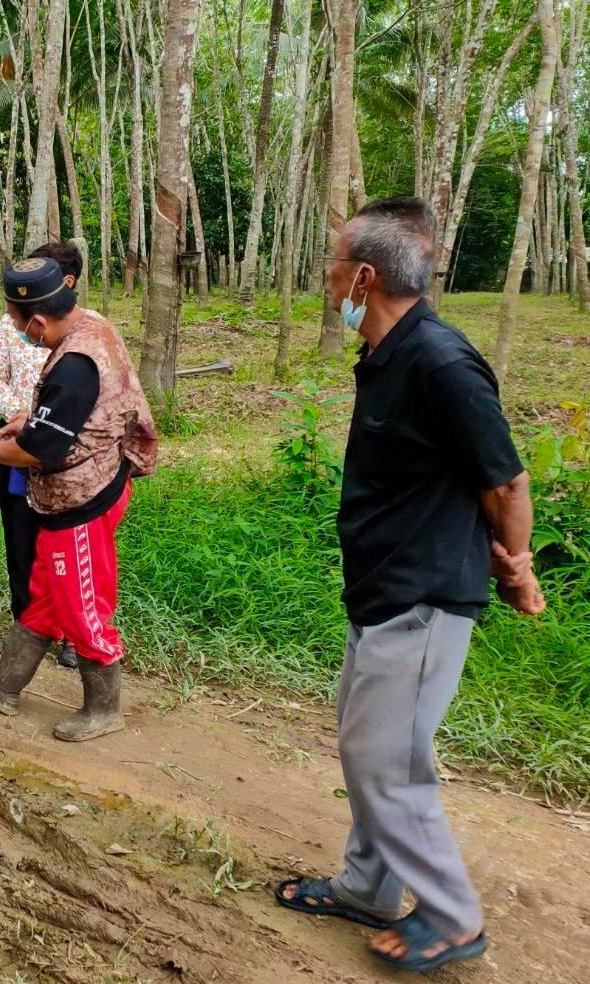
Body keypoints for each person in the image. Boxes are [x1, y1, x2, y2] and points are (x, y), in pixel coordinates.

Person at [274, 197, 544, 974]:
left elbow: (505, 481)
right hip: (383, 587)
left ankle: (453, 917)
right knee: (371, 750)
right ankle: (367, 886)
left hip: (423, 597)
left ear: (363, 276)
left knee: (386, 762)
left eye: (331, 266)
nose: (326, 281)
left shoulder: (440, 362)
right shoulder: (388, 354)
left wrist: (516, 567)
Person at [0, 256, 156, 741]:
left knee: (81, 601)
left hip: (82, 499)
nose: (18, 331)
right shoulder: (93, 327)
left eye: (18, 322)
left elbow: (38, 449)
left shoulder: (74, 365)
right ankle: (5, 684)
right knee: (47, 590)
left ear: (39, 321)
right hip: (85, 484)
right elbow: (74, 416)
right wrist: (31, 419)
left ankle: (104, 708)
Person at [0, 241, 84, 670]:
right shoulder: (12, 323)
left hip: (64, 453)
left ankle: (72, 633)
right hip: (16, 441)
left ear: (66, 283)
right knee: (20, 538)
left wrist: (40, 425)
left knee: (63, 544)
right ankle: (27, 624)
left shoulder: (84, 335)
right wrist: (20, 417)